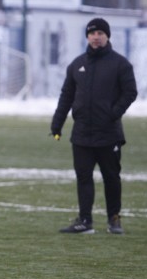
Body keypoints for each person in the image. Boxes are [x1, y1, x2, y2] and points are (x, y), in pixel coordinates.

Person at [51, 18, 137, 235]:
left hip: (109, 133)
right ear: (87, 37)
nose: (96, 37)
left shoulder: (120, 64)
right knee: (83, 178)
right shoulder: (77, 65)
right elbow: (66, 96)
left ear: (107, 36)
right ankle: (85, 221)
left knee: (111, 178)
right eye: (92, 33)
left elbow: (130, 92)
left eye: (100, 33)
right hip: (81, 134)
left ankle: (114, 219)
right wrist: (57, 123)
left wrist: (113, 113)